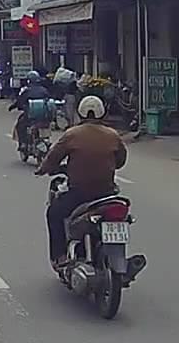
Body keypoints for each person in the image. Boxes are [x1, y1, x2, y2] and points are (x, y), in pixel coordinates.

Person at [35, 95, 127, 270]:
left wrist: (43, 169)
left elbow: (53, 157)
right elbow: (121, 161)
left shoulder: (72, 134)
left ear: (81, 112)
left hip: (79, 193)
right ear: (102, 112)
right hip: (107, 193)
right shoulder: (113, 135)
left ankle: (60, 256)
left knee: (54, 213)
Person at [10, 70, 51, 147]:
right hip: (43, 116)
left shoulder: (26, 91)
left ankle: (22, 143)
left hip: (30, 117)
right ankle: (46, 140)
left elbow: (20, 101)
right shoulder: (44, 90)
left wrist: (13, 107)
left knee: (20, 125)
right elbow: (49, 100)